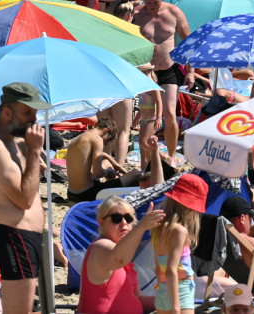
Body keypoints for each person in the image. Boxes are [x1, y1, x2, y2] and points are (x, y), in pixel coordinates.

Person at [0, 82, 51, 314]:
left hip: (20, 237)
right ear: (7, 112)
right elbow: (23, 200)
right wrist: (35, 151)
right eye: (27, 112)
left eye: (35, 113)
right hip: (16, 237)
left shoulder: (15, 143)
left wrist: (32, 154)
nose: (33, 119)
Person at [133, 0, 192, 161]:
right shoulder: (137, 14)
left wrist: (191, 72)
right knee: (147, 116)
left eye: (155, 2)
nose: (151, 6)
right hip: (146, 72)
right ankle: (146, 160)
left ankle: (172, 156)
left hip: (169, 69)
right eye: (148, 2)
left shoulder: (174, 13)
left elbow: (187, 42)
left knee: (169, 113)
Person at [78, 197, 165, 314]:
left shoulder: (123, 255)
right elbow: (118, 259)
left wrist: (167, 300)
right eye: (116, 218)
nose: (124, 223)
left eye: (128, 218)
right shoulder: (99, 247)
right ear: (101, 222)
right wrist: (141, 227)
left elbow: (138, 299)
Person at [152, 174, 207, 314]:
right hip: (180, 291)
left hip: (163, 289)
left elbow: (159, 268)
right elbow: (171, 270)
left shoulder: (158, 227)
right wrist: (176, 307)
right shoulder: (179, 231)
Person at [65, 118, 141, 203]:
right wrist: (108, 172)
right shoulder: (97, 139)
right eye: (109, 140)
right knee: (135, 174)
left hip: (72, 192)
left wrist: (117, 166)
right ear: (107, 130)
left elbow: (102, 155)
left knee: (106, 163)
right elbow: (97, 173)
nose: (105, 143)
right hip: (88, 194)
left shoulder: (80, 137)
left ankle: (117, 181)